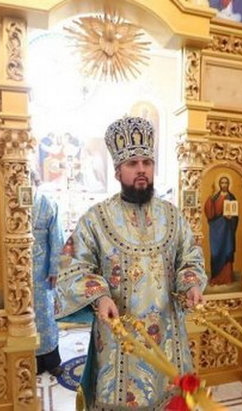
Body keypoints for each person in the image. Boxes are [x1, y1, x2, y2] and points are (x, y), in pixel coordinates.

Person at [54, 116, 206, 409]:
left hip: (167, 333)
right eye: (133, 163)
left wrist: (191, 285)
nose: (141, 170)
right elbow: (72, 267)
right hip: (118, 336)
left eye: (147, 163)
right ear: (117, 171)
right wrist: (100, 297)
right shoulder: (96, 219)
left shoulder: (172, 216)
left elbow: (190, 257)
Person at [29, 169, 65, 376]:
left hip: (42, 270)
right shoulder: (11, 204)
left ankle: (51, 361)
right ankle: (31, 360)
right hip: (17, 271)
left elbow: (57, 238)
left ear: (35, 182)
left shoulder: (48, 203)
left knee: (45, 314)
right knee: (24, 316)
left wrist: (54, 269)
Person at [204, 176, 239, 286]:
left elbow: (236, 215)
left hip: (227, 230)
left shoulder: (232, 197)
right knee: (215, 253)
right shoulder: (215, 197)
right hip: (216, 229)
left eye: (226, 183)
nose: (224, 185)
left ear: (228, 184)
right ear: (219, 184)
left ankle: (227, 278)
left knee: (227, 251)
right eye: (222, 183)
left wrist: (232, 218)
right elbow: (210, 212)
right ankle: (216, 278)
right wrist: (210, 198)